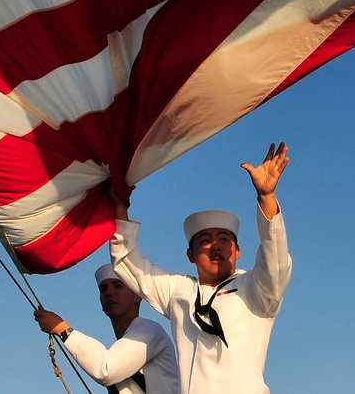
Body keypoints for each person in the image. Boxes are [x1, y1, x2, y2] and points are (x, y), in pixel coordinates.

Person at [109, 142, 292, 394]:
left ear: (237, 251)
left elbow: (276, 260)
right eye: (205, 241)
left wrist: (266, 197)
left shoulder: (255, 289)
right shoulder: (179, 291)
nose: (215, 246)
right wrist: (120, 208)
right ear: (191, 255)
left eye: (224, 240)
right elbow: (130, 266)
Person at [34, 264, 180, 394]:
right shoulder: (123, 346)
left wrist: (63, 330)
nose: (109, 292)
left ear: (137, 296)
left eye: (118, 286)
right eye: (103, 289)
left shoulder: (149, 330)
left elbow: (106, 370)